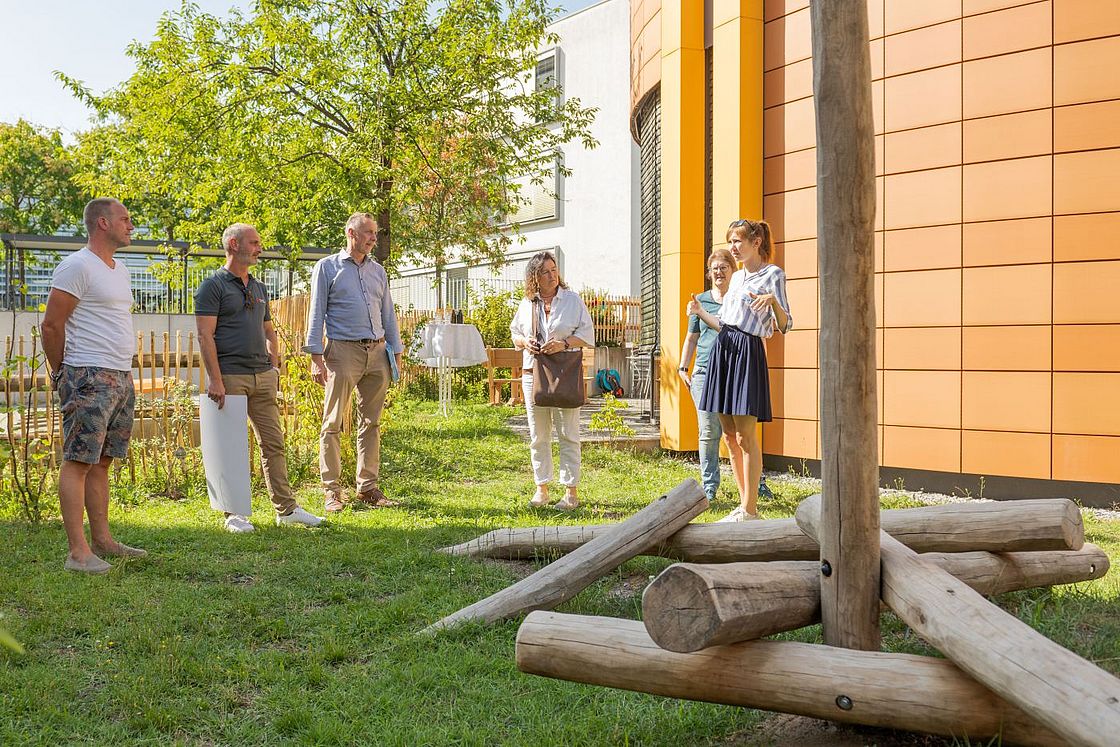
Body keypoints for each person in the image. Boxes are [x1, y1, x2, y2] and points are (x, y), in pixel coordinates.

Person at [41, 198, 147, 574]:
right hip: (87, 375)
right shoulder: (76, 266)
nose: (131, 226)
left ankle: (102, 540)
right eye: (125, 219)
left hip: (119, 375)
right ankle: (77, 553)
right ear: (102, 223)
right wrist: (62, 374)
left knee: (101, 461)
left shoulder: (119, 270)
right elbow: (51, 326)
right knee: (78, 462)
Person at [195, 223, 324, 532]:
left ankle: (286, 509)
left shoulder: (259, 286)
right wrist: (215, 379)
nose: (259, 248)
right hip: (230, 377)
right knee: (231, 446)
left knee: (274, 444)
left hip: (262, 376)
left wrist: (274, 365)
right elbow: (204, 336)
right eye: (253, 242)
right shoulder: (212, 286)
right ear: (232, 244)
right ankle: (233, 514)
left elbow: (268, 329)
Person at [687, 219, 792, 521]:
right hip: (724, 348)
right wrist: (700, 312)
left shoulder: (773, 275)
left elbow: (786, 325)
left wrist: (772, 302)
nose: (733, 247)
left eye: (738, 241)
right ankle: (743, 505)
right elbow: (724, 322)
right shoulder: (735, 279)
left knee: (746, 436)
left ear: (756, 242)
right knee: (729, 435)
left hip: (747, 351)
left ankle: (750, 509)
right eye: (730, 241)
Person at [304, 212, 403, 513]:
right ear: (351, 233)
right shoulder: (327, 267)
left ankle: (367, 487)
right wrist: (315, 356)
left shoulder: (378, 271)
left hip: (377, 354)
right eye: (369, 233)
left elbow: (388, 312)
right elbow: (316, 311)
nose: (374, 238)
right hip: (341, 352)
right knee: (332, 423)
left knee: (371, 423)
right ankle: (331, 491)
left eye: (375, 233)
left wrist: (396, 351)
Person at [680, 248, 776, 505]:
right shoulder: (701, 300)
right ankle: (710, 488)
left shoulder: (740, 296)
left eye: (724, 267)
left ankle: (756, 487)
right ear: (709, 274)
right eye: (715, 269)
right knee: (710, 431)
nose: (719, 272)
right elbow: (692, 337)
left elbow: (755, 333)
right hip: (705, 371)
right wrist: (682, 367)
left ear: (733, 271)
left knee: (744, 434)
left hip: (737, 369)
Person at [509, 251, 595, 511]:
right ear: (534, 276)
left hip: (564, 374)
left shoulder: (571, 300)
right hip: (532, 374)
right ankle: (541, 488)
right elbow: (515, 335)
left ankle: (571, 492)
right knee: (538, 434)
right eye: (545, 271)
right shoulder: (527, 304)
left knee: (568, 433)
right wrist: (526, 342)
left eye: (554, 270)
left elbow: (588, 333)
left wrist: (564, 343)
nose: (552, 275)